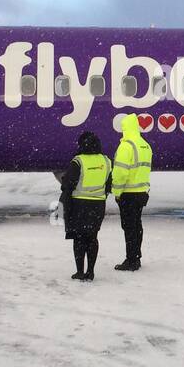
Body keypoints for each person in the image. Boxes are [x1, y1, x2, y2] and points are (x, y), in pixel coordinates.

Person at [59, 130, 110, 281]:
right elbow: (109, 182)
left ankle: (80, 271)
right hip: (98, 205)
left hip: (80, 204)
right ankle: (91, 271)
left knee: (79, 238)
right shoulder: (106, 161)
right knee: (92, 237)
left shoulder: (78, 161)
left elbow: (69, 183)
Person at [110, 113, 152, 271]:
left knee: (129, 227)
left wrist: (117, 191)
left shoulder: (126, 146)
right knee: (137, 226)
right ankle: (136, 257)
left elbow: (121, 173)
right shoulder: (144, 145)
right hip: (142, 192)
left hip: (129, 193)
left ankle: (131, 260)